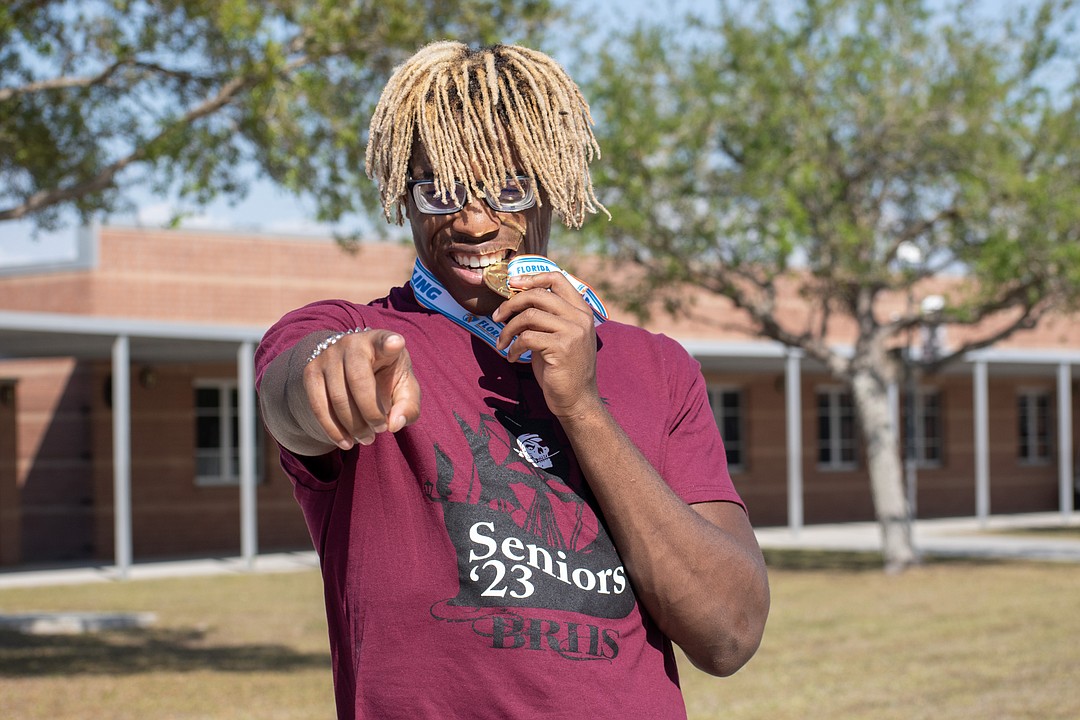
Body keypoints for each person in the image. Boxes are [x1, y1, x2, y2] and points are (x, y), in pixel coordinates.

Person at [256, 41, 769, 719]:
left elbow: (727, 634)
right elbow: (288, 393)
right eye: (439, 189)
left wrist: (581, 404)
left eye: (507, 189)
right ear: (402, 195)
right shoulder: (355, 334)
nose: (472, 220)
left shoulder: (657, 366)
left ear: (551, 185)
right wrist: (331, 370)